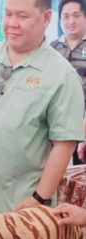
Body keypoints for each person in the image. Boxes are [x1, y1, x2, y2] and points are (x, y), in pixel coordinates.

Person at [0, 0, 85, 213]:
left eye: (22, 16)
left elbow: (64, 144)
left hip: (17, 211)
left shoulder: (62, 76)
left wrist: (40, 197)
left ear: (46, 18)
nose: (12, 23)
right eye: (8, 14)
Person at [51, 0, 86, 165]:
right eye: (65, 16)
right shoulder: (51, 49)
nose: (70, 21)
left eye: (76, 16)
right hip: (56, 123)